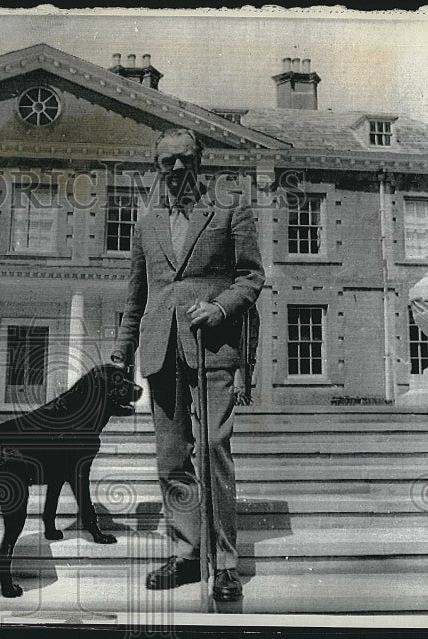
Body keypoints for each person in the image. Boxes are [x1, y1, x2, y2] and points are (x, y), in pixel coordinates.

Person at [111, 128, 264, 602]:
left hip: (213, 349)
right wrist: (122, 350)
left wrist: (219, 309)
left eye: (184, 161)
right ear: (156, 168)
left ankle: (224, 563)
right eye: (166, 163)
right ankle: (186, 553)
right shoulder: (146, 223)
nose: (176, 170)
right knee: (172, 458)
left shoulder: (229, 211)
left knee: (213, 444)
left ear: (200, 163)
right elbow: (136, 297)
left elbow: (252, 276)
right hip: (161, 351)